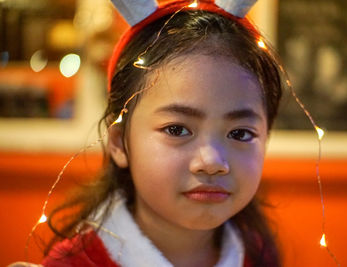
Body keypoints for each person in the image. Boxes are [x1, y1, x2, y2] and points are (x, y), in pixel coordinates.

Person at [11, 0, 283, 266]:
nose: (212, 161)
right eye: (177, 129)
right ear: (119, 143)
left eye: (240, 134)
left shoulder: (257, 254)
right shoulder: (78, 262)